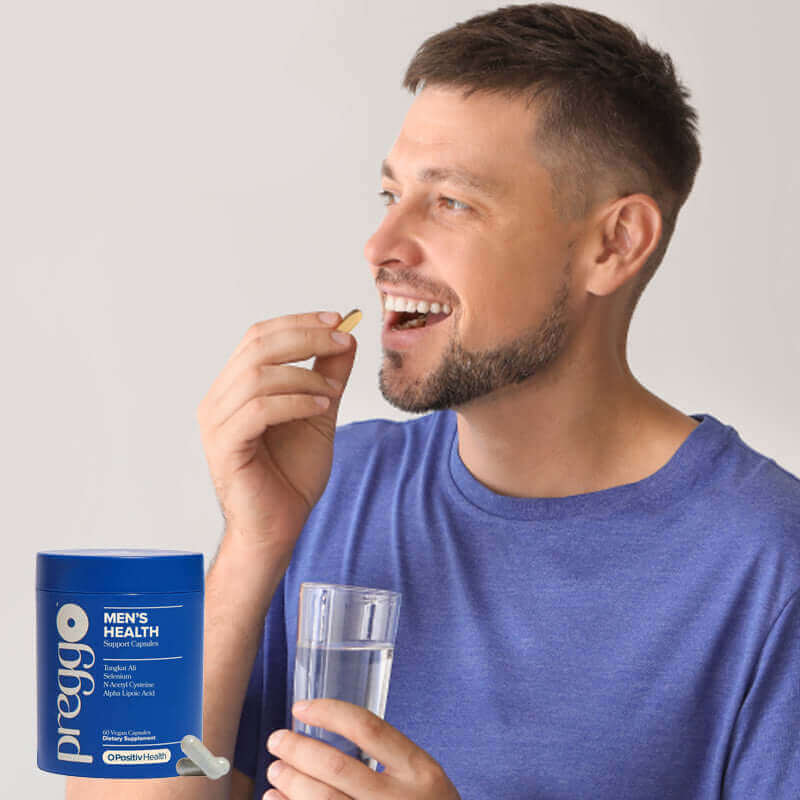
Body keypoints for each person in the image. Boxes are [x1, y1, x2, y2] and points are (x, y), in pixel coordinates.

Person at [66, 4, 800, 800]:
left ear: (614, 244)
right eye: (390, 195)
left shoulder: (768, 567)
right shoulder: (331, 487)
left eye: (451, 202)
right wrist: (250, 546)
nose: (381, 248)